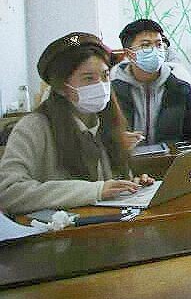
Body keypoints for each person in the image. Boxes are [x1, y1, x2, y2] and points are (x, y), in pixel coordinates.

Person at [0, 33, 153, 215]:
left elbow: (109, 186)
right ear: (61, 87)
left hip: (106, 225)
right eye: (88, 78)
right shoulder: (34, 127)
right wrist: (95, 191)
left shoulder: (106, 122)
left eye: (105, 76)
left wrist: (130, 186)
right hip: (55, 229)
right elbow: (9, 192)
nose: (101, 85)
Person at [111, 19, 191, 146]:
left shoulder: (181, 89)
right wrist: (117, 143)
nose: (154, 50)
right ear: (129, 54)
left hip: (171, 157)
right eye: (145, 45)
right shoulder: (112, 91)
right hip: (128, 158)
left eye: (158, 44)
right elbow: (102, 135)